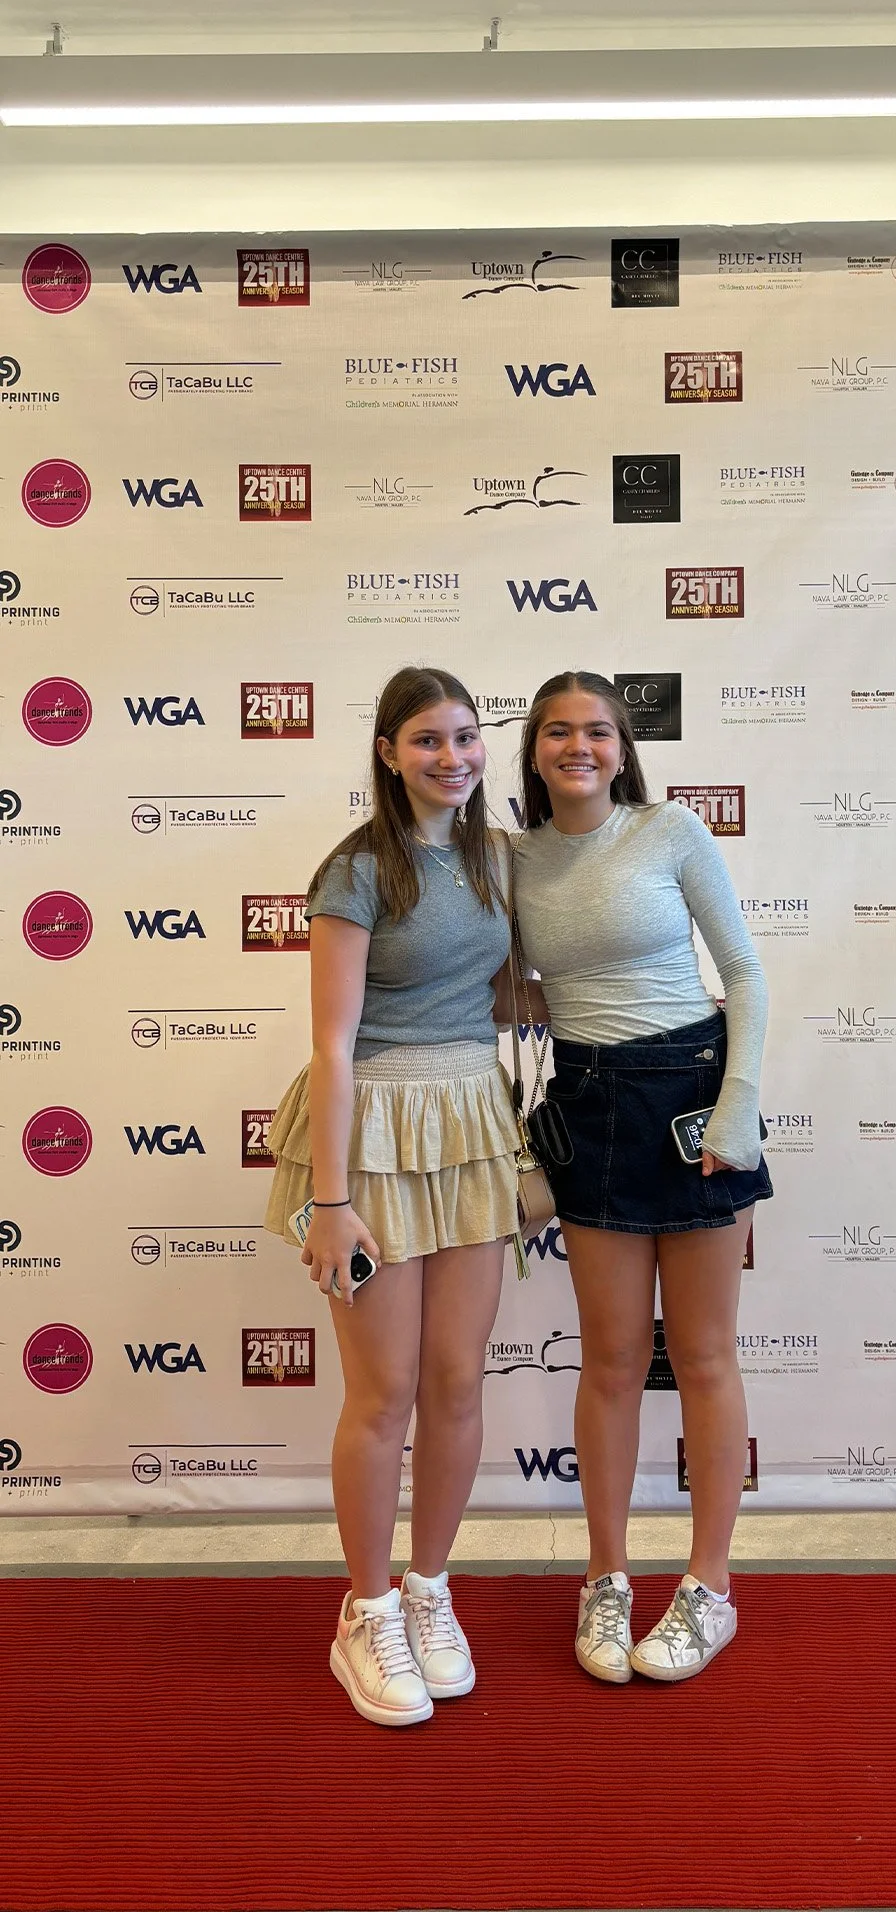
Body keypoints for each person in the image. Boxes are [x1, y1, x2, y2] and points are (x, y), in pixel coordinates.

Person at [265, 666, 520, 1728]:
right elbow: (331, 1044)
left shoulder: (496, 856)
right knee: (383, 1393)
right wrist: (330, 1202)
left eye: (465, 736)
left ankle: (427, 1592)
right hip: (371, 1131)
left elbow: (505, 995)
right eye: (426, 740)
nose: (451, 758)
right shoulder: (357, 868)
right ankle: (364, 1611)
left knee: (457, 1381)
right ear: (387, 753)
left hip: (470, 1125)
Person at [512, 670, 772, 1688]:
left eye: (597, 731)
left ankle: (709, 1586)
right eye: (557, 731)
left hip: (692, 1098)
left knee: (702, 1357)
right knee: (611, 1363)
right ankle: (606, 1577)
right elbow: (503, 985)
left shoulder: (670, 831)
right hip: (587, 1106)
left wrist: (737, 1106)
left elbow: (743, 973)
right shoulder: (513, 859)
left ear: (623, 748)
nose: (577, 745)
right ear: (534, 750)